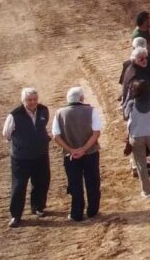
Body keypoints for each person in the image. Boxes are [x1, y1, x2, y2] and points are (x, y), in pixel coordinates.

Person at [51, 87, 102, 222]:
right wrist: (84, 149)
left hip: (71, 156)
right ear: (81, 98)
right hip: (90, 153)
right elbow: (96, 133)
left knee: (75, 184)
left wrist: (71, 150)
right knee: (93, 182)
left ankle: (76, 213)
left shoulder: (59, 113)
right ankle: (93, 211)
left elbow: (56, 136)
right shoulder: (91, 111)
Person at [2, 87, 50, 228]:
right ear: (23, 101)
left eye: (35, 99)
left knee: (42, 182)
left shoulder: (43, 110)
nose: (32, 102)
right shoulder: (14, 115)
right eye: (29, 100)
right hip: (21, 158)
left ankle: (38, 207)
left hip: (40, 154)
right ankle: (16, 216)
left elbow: (43, 125)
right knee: (19, 186)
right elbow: (6, 134)